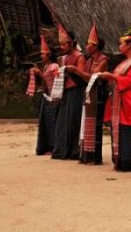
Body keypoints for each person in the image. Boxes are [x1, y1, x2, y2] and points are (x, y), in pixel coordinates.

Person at [98, 26, 131, 171]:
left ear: (129, 45)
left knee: (128, 130)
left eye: (122, 44)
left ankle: (129, 162)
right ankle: (119, 160)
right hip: (119, 101)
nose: (119, 47)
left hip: (129, 102)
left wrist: (112, 77)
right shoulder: (123, 62)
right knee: (119, 130)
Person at [66, 23, 109, 165]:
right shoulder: (89, 60)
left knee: (95, 124)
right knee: (87, 123)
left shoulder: (103, 59)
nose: (86, 47)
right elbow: (85, 76)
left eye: (89, 45)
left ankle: (96, 157)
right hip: (89, 92)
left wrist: (77, 71)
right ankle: (86, 154)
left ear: (95, 46)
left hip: (98, 93)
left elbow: (93, 77)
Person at [52, 24, 87, 160]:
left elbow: (82, 75)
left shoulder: (79, 57)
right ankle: (61, 150)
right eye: (60, 45)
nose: (61, 47)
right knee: (62, 122)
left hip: (76, 91)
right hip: (65, 91)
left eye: (64, 44)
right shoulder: (63, 59)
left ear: (71, 43)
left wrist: (72, 70)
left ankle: (73, 151)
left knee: (73, 121)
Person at [29, 35, 59, 155]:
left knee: (53, 122)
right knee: (46, 122)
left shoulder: (55, 66)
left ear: (49, 55)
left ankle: (53, 147)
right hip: (46, 96)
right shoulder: (46, 66)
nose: (41, 56)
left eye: (43, 54)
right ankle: (46, 146)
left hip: (54, 97)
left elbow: (57, 81)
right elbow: (44, 83)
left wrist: (40, 74)